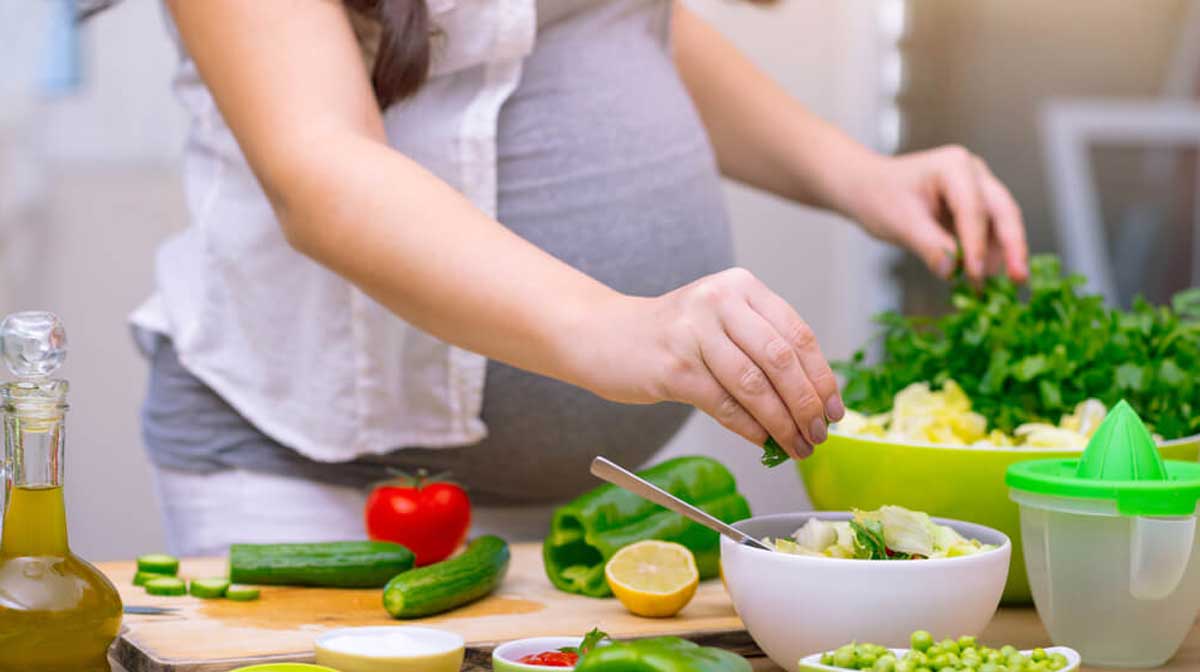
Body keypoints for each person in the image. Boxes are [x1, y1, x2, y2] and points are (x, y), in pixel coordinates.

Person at [127, 0, 1028, 555]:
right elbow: (318, 172)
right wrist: (622, 330)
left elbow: (619, 21)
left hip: (578, 512)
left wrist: (855, 173)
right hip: (321, 486)